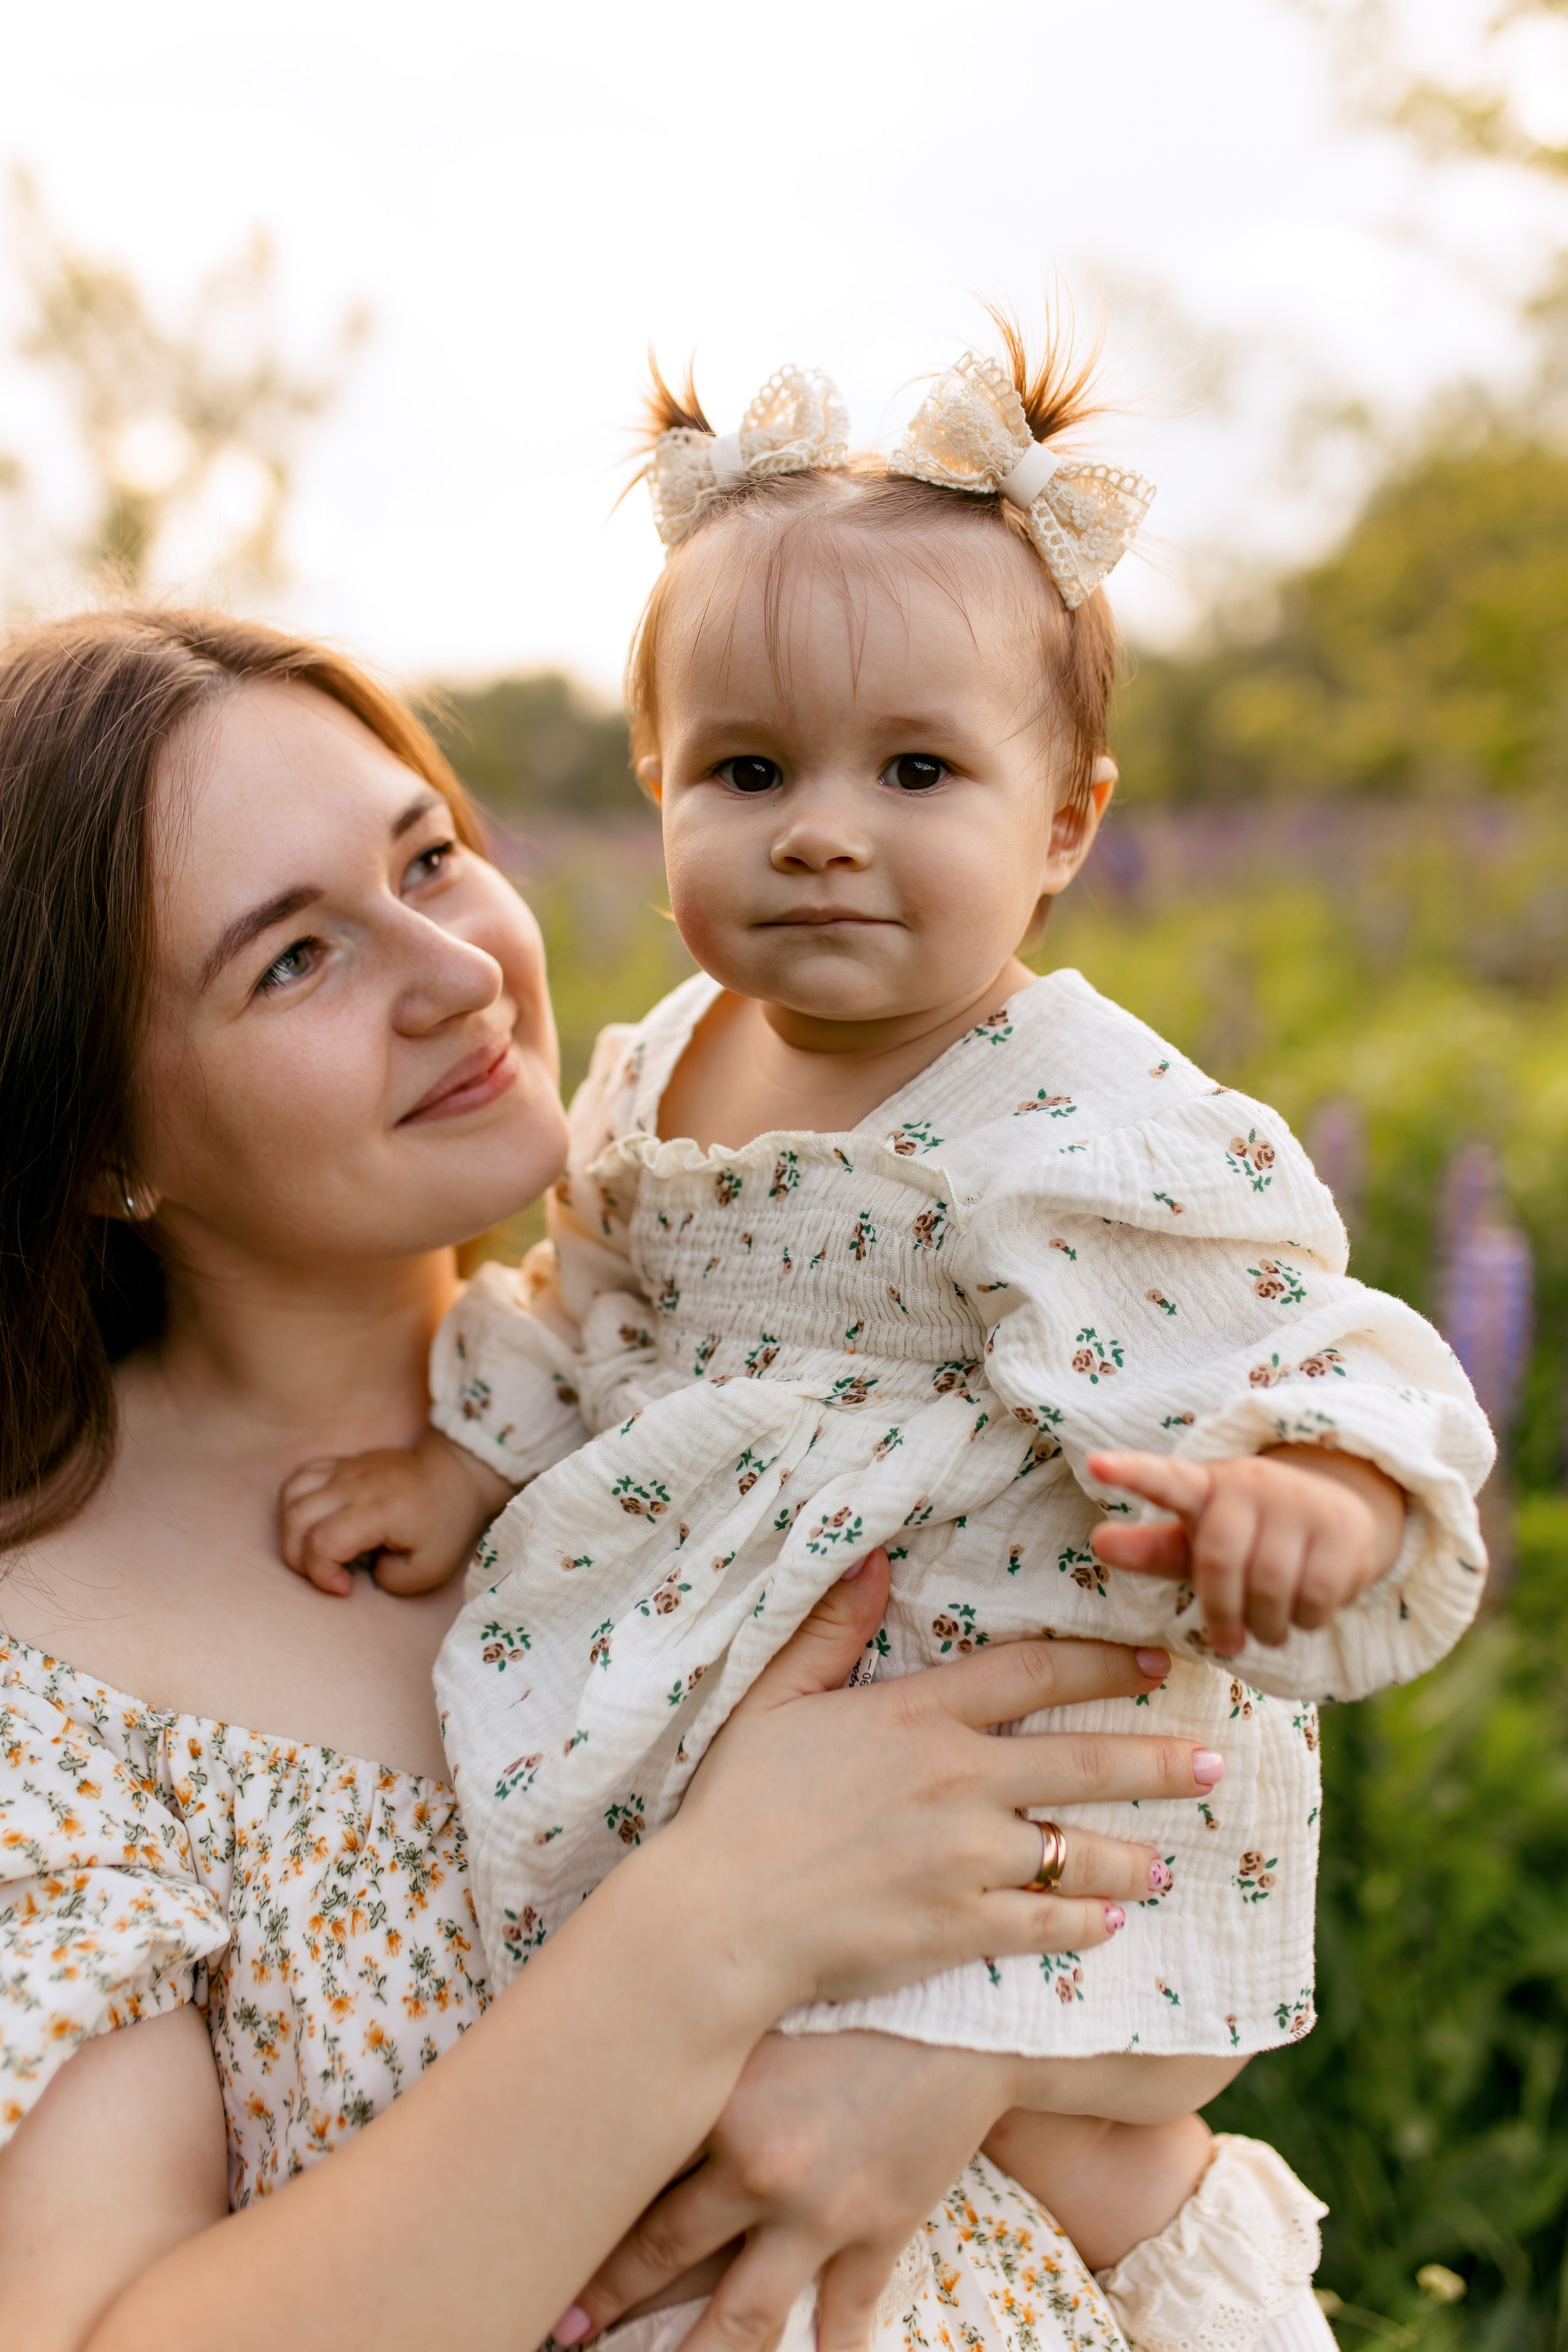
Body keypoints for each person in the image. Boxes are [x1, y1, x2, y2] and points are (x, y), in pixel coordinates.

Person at [285, 330, 1495, 2348]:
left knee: (1072, 2150)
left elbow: (1320, 1337)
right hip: (745, 1731)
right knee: (733, 2135)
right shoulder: (668, 1068)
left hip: (1023, 1759)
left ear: (1066, 823)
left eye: (916, 772)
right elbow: (593, 1302)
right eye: (751, 773)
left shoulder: (1086, 1120)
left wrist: (1320, 1491)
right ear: (662, 790)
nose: (824, 831)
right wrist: (467, 1453)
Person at [0, 606, 1235, 2352]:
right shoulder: (48, 1669)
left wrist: (944, 2054)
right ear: (103, 1139)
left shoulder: (754, 1391)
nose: (454, 974)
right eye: (293, 959)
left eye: (428, 860)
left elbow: (1209, 1909)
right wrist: (714, 1934)